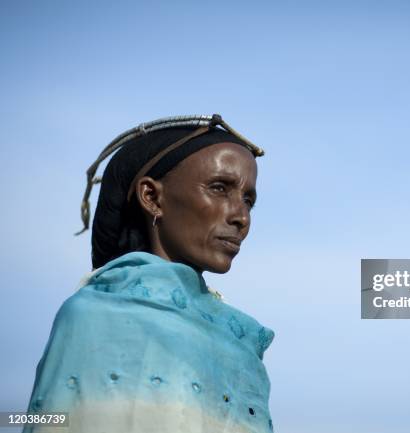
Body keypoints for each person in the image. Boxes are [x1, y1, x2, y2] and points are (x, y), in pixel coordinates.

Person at [23, 115, 275, 433]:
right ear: (152, 197)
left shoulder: (240, 342)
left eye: (248, 200)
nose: (241, 216)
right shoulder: (91, 317)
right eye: (219, 188)